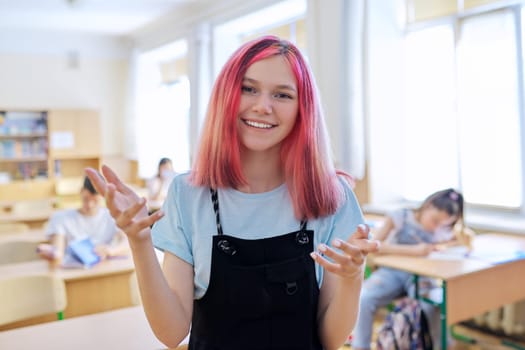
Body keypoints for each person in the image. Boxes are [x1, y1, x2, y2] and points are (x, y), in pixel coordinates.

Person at [85, 35, 379, 350]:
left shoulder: (331, 198)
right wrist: (139, 240)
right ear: (226, 95)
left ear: (302, 109)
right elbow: (171, 333)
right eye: (248, 89)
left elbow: (331, 340)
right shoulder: (188, 194)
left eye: (282, 94)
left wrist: (352, 277)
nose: (263, 106)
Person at [351, 188, 474, 349]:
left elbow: (460, 241)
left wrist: (455, 241)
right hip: (391, 273)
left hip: (422, 276)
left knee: (433, 306)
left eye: (443, 225)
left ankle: (443, 346)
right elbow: (374, 246)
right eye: (435, 221)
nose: (436, 228)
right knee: (364, 298)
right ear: (428, 206)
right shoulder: (400, 217)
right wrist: (413, 251)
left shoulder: (443, 230)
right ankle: (360, 347)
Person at [37, 176, 129, 264]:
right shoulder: (61, 218)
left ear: (103, 196)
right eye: (86, 199)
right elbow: (58, 250)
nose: (90, 205)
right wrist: (52, 253)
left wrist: (111, 250)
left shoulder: (111, 216)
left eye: (95, 201)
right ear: (81, 191)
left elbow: (127, 243)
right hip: (74, 272)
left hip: (103, 268)